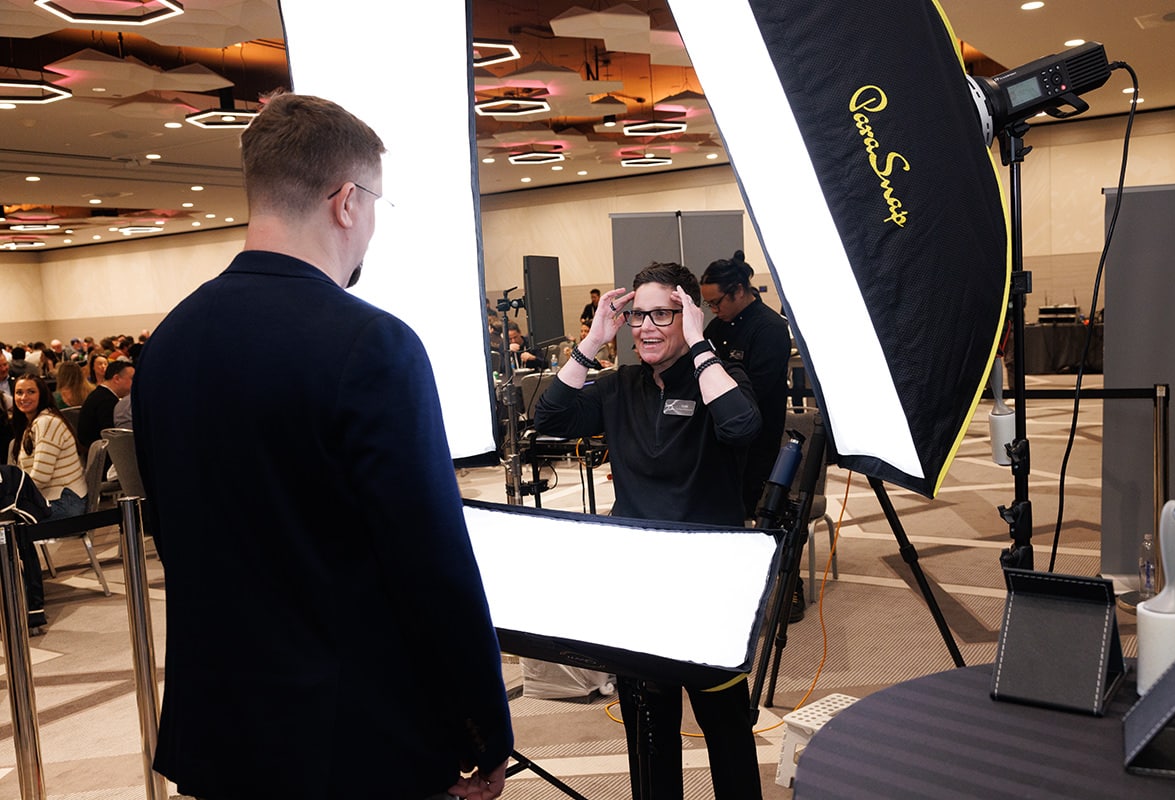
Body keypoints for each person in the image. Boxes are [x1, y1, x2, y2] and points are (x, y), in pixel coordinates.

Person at [132, 92, 512, 800]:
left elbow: (176, 535)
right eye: (376, 207)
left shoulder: (169, 344)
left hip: (217, 736)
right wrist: (483, 723)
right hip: (353, 742)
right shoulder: (374, 345)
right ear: (346, 201)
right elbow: (427, 558)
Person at [535, 262, 763, 800]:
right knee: (650, 731)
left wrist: (699, 345)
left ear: (687, 314)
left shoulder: (720, 378)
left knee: (725, 728)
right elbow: (549, 417)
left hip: (711, 587)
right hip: (639, 588)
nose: (647, 327)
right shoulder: (620, 387)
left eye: (663, 313)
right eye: (638, 315)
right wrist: (591, 343)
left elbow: (742, 425)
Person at [700, 250, 793, 521]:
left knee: (743, 513)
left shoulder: (770, 328)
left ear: (739, 291)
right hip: (718, 439)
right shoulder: (716, 328)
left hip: (755, 443)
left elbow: (755, 391)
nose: (714, 311)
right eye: (709, 306)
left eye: (717, 303)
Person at [9, 375, 87, 520]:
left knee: (7, 521)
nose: (24, 397)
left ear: (42, 395)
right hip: (52, 500)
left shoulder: (46, 423)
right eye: (19, 392)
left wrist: (12, 495)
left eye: (31, 392)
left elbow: (41, 477)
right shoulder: (32, 424)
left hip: (65, 503)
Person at [77, 360, 134, 452]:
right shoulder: (108, 402)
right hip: (102, 457)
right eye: (132, 379)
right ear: (117, 379)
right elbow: (114, 439)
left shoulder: (99, 394)